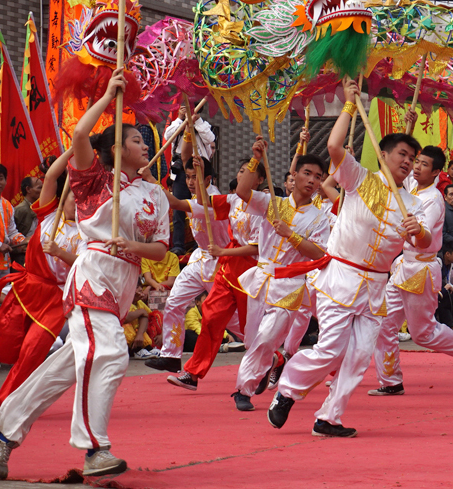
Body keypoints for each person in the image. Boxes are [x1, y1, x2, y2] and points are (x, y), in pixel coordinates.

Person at [0, 71, 170, 479]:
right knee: (111, 353)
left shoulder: (154, 193)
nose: (145, 144)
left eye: (145, 139)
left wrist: (134, 248)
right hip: (92, 275)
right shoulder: (95, 179)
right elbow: (79, 138)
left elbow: (159, 249)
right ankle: (94, 448)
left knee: (66, 367)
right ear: (115, 149)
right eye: (136, 139)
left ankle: (3, 433)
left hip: (124, 280)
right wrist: (108, 97)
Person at [266, 77, 427, 438]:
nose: (408, 162)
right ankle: (288, 391)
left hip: (376, 287)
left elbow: (426, 239)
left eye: (413, 158)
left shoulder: (413, 204)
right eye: (402, 154)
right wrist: (351, 103)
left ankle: (329, 417)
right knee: (330, 349)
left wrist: (417, 231)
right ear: (383, 154)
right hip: (341, 276)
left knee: (358, 358)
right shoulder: (360, 178)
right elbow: (334, 146)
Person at [370, 144, 453, 396]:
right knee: (383, 324)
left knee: (422, 334)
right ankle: (391, 381)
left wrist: (415, 230)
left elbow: (425, 233)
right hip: (402, 266)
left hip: (421, 267)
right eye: (415, 161)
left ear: (436, 172)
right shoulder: (411, 187)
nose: (416, 167)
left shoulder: (432, 199)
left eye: (422, 164)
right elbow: (399, 167)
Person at [231, 141, 332, 411]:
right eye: (307, 173)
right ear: (294, 175)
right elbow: (242, 190)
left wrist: (291, 235)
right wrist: (256, 160)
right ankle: (273, 360)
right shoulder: (271, 203)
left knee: (265, 338)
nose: (312, 180)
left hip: (290, 284)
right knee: (252, 339)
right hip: (261, 278)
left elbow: (320, 254)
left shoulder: (319, 218)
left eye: (318, 177)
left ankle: (244, 389)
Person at [166, 142, 264, 391]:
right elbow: (202, 201)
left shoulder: (264, 208)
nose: (241, 175)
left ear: (259, 180)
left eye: (248, 172)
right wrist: (198, 174)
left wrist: (223, 251)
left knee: (248, 328)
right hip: (226, 270)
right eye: (240, 171)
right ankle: (192, 372)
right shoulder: (231, 200)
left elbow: (257, 249)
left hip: (250, 274)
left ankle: (272, 359)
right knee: (209, 318)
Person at [0, 149, 80, 409]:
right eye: (75, 196)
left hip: (54, 298)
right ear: (65, 197)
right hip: (27, 287)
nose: (80, 202)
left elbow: (85, 263)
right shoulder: (49, 213)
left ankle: (7, 399)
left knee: (32, 349)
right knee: (7, 341)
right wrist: (73, 149)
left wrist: (60, 252)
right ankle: (22, 390)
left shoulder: (87, 232)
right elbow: (51, 176)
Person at [145, 156, 233, 374]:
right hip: (199, 259)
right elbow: (186, 150)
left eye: (196, 177)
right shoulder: (197, 196)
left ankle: (263, 351)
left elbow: (174, 203)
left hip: (220, 264)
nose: (191, 182)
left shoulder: (212, 200)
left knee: (232, 319)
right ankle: (171, 355)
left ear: (208, 179)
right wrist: (187, 128)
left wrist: (149, 178)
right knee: (174, 301)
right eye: (189, 178)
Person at [164, 104, 215, 256]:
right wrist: (181, 119)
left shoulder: (203, 125)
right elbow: (168, 136)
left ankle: (199, 243)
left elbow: (210, 137)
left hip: (200, 169)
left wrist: (196, 122)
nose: (185, 110)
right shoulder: (178, 123)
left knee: (201, 207)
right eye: (183, 107)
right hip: (182, 171)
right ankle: (178, 244)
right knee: (179, 208)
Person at [0, 163, 26, 287]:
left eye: (0, 178)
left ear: (6, 180)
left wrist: (25, 242)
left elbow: (12, 232)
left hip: (4, 263)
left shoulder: (7, 205)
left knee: (2, 301)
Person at [11, 177, 42, 265]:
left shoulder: (41, 207)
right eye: (39, 188)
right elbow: (10, 235)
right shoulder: (20, 210)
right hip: (22, 258)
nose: (43, 190)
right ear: (28, 189)